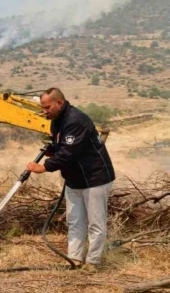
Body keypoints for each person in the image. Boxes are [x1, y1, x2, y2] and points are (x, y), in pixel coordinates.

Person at [26, 87, 115, 272]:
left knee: (95, 223)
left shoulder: (76, 120)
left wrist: (45, 166)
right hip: (74, 179)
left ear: (59, 102)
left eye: (47, 107)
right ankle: (74, 259)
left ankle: (92, 262)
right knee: (75, 221)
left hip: (95, 178)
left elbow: (68, 153)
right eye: (43, 107)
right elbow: (61, 145)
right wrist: (51, 149)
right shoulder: (57, 121)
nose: (45, 111)